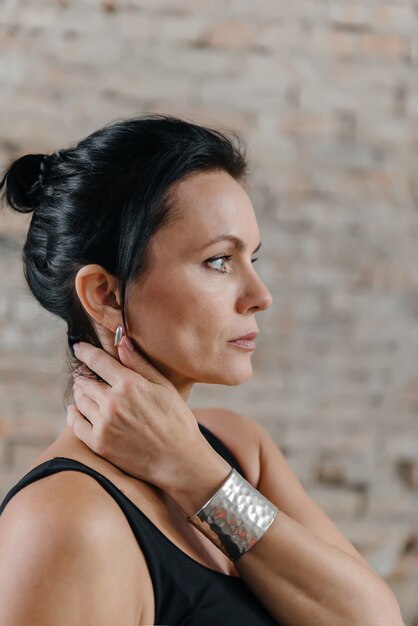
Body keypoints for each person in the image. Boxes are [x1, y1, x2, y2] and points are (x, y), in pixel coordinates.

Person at [0, 114, 404, 626]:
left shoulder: (237, 450)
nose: (260, 297)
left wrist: (196, 473)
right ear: (105, 294)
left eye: (252, 258)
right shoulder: (64, 520)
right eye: (219, 261)